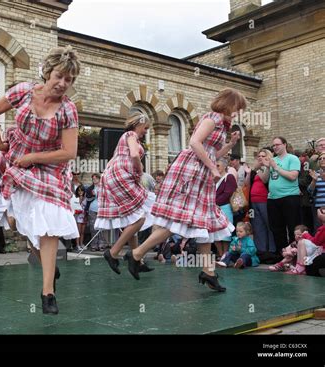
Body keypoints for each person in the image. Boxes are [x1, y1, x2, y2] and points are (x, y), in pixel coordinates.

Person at [0, 45, 81, 315]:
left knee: (48, 221)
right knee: (26, 225)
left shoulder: (68, 110)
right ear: (47, 73)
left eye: (69, 79)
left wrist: (34, 158)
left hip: (51, 165)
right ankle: (49, 268)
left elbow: (69, 152)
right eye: (59, 76)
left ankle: (47, 291)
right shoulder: (24, 92)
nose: (62, 83)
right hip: (18, 160)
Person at [123, 88, 244, 292]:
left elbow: (213, 152)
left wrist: (230, 144)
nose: (238, 112)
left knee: (202, 222)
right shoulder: (212, 118)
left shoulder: (222, 126)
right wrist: (213, 168)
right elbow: (194, 143)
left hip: (202, 174)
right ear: (229, 104)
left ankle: (209, 272)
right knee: (181, 220)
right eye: (238, 108)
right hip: (191, 172)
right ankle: (137, 253)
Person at [95, 110, 155, 275]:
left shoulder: (126, 138)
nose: (146, 131)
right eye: (146, 127)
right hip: (121, 176)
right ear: (138, 124)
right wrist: (141, 169)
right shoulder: (131, 135)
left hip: (115, 175)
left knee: (132, 217)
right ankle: (113, 252)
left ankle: (137, 259)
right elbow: (135, 154)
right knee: (140, 218)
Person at [263, 137, 301, 252]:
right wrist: (267, 167)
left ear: (284, 144)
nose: (275, 147)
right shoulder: (272, 160)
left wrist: (276, 167)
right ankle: (282, 255)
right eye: (273, 145)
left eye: (277, 144)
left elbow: (293, 176)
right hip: (273, 198)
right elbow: (265, 180)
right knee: (276, 229)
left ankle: (295, 256)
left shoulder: (292, 158)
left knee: (293, 227)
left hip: (289, 197)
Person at [246, 149, 276, 254]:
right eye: (259, 156)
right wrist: (249, 173)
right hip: (254, 201)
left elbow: (265, 179)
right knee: (258, 227)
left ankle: (272, 250)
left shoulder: (269, 168)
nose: (260, 158)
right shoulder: (256, 170)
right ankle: (261, 251)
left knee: (269, 225)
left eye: (263, 156)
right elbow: (247, 184)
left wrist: (265, 166)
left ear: (268, 157)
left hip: (265, 200)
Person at [214, 157, 237, 258]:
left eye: (218, 165)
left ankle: (225, 256)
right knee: (215, 233)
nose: (216, 167)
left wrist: (213, 202)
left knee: (225, 233)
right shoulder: (214, 178)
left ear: (224, 166)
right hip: (214, 209)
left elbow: (228, 193)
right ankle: (220, 255)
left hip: (225, 208)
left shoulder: (229, 177)